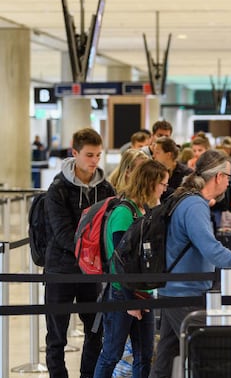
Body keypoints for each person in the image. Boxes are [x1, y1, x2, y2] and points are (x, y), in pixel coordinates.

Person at [149, 150, 231, 377]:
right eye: (228, 178)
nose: (229, 184)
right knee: (208, 356)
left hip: (173, 290)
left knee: (166, 361)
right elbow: (212, 250)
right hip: (185, 295)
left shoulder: (185, 198)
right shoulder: (194, 205)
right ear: (218, 177)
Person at [44, 128, 116, 378]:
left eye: (98, 155)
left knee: (95, 331)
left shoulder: (106, 188)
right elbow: (62, 233)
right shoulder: (57, 190)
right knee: (56, 336)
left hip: (92, 273)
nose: (95, 160)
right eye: (89, 155)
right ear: (74, 153)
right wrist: (91, 251)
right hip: (60, 270)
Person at [93, 160, 168, 378]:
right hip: (122, 294)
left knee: (145, 354)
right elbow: (119, 261)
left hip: (142, 292)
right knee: (111, 354)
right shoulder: (124, 213)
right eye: (162, 183)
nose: (164, 188)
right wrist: (130, 301)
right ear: (149, 183)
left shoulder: (145, 210)